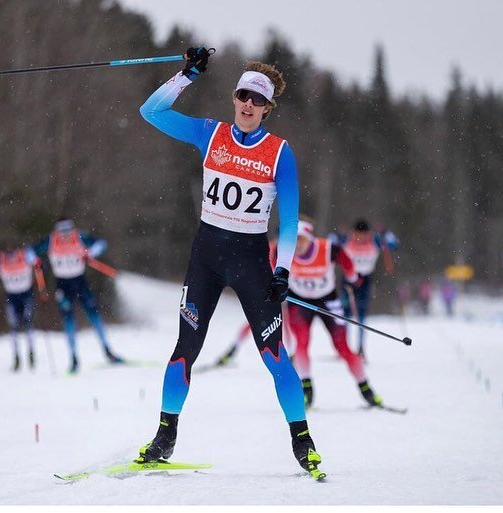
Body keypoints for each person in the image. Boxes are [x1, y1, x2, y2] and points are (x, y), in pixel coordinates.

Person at [136, 48, 323, 477]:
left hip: (252, 261)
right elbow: (150, 111)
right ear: (234, 97)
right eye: (243, 95)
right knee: (185, 348)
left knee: (275, 355)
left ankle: (303, 441)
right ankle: (164, 436)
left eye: (257, 101)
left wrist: (283, 271)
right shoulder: (210, 133)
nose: (248, 105)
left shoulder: (280, 153)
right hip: (205, 258)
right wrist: (187, 76)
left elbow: (290, 219)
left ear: (268, 108)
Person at [285, 219, 383, 409]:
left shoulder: (328, 248)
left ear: (310, 238)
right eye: (294, 240)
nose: (297, 245)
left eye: (301, 240)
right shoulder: (284, 250)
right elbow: (271, 267)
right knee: (302, 342)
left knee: (342, 347)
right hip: (299, 301)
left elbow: (346, 261)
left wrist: (353, 278)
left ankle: (366, 388)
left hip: (328, 301)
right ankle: (306, 389)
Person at [32, 217, 123, 373]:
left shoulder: (79, 237)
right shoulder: (51, 241)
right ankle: (74, 358)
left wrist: (90, 253)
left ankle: (107, 350)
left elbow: (101, 244)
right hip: (62, 284)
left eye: (68, 230)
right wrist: (37, 261)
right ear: (57, 231)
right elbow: (29, 252)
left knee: (94, 315)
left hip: (80, 282)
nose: (66, 235)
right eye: (62, 231)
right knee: (69, 320)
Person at [334, 219, 398, 358]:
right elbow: (329, 243)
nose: (360, 237)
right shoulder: (347, 239)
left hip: (365, 280)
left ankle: (361, 347)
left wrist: (386, 233)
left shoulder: (375, 240)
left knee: (362, 313)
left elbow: (394, 244)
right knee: (345, 313)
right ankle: (344, 348)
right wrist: (337, 235)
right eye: (357, 234)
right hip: (348, 279)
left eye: (363, 234)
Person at [0, 243, 41, 371]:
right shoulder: (0, 259)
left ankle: (31, 353)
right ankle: (16, 357)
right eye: (8, 251)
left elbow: (40, 265)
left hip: (26, 295)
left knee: (28, 323)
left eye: (12, 251)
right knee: (13, 327)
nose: (11, 254)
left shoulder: (24, 255)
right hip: (12, 297)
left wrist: (36, 259)